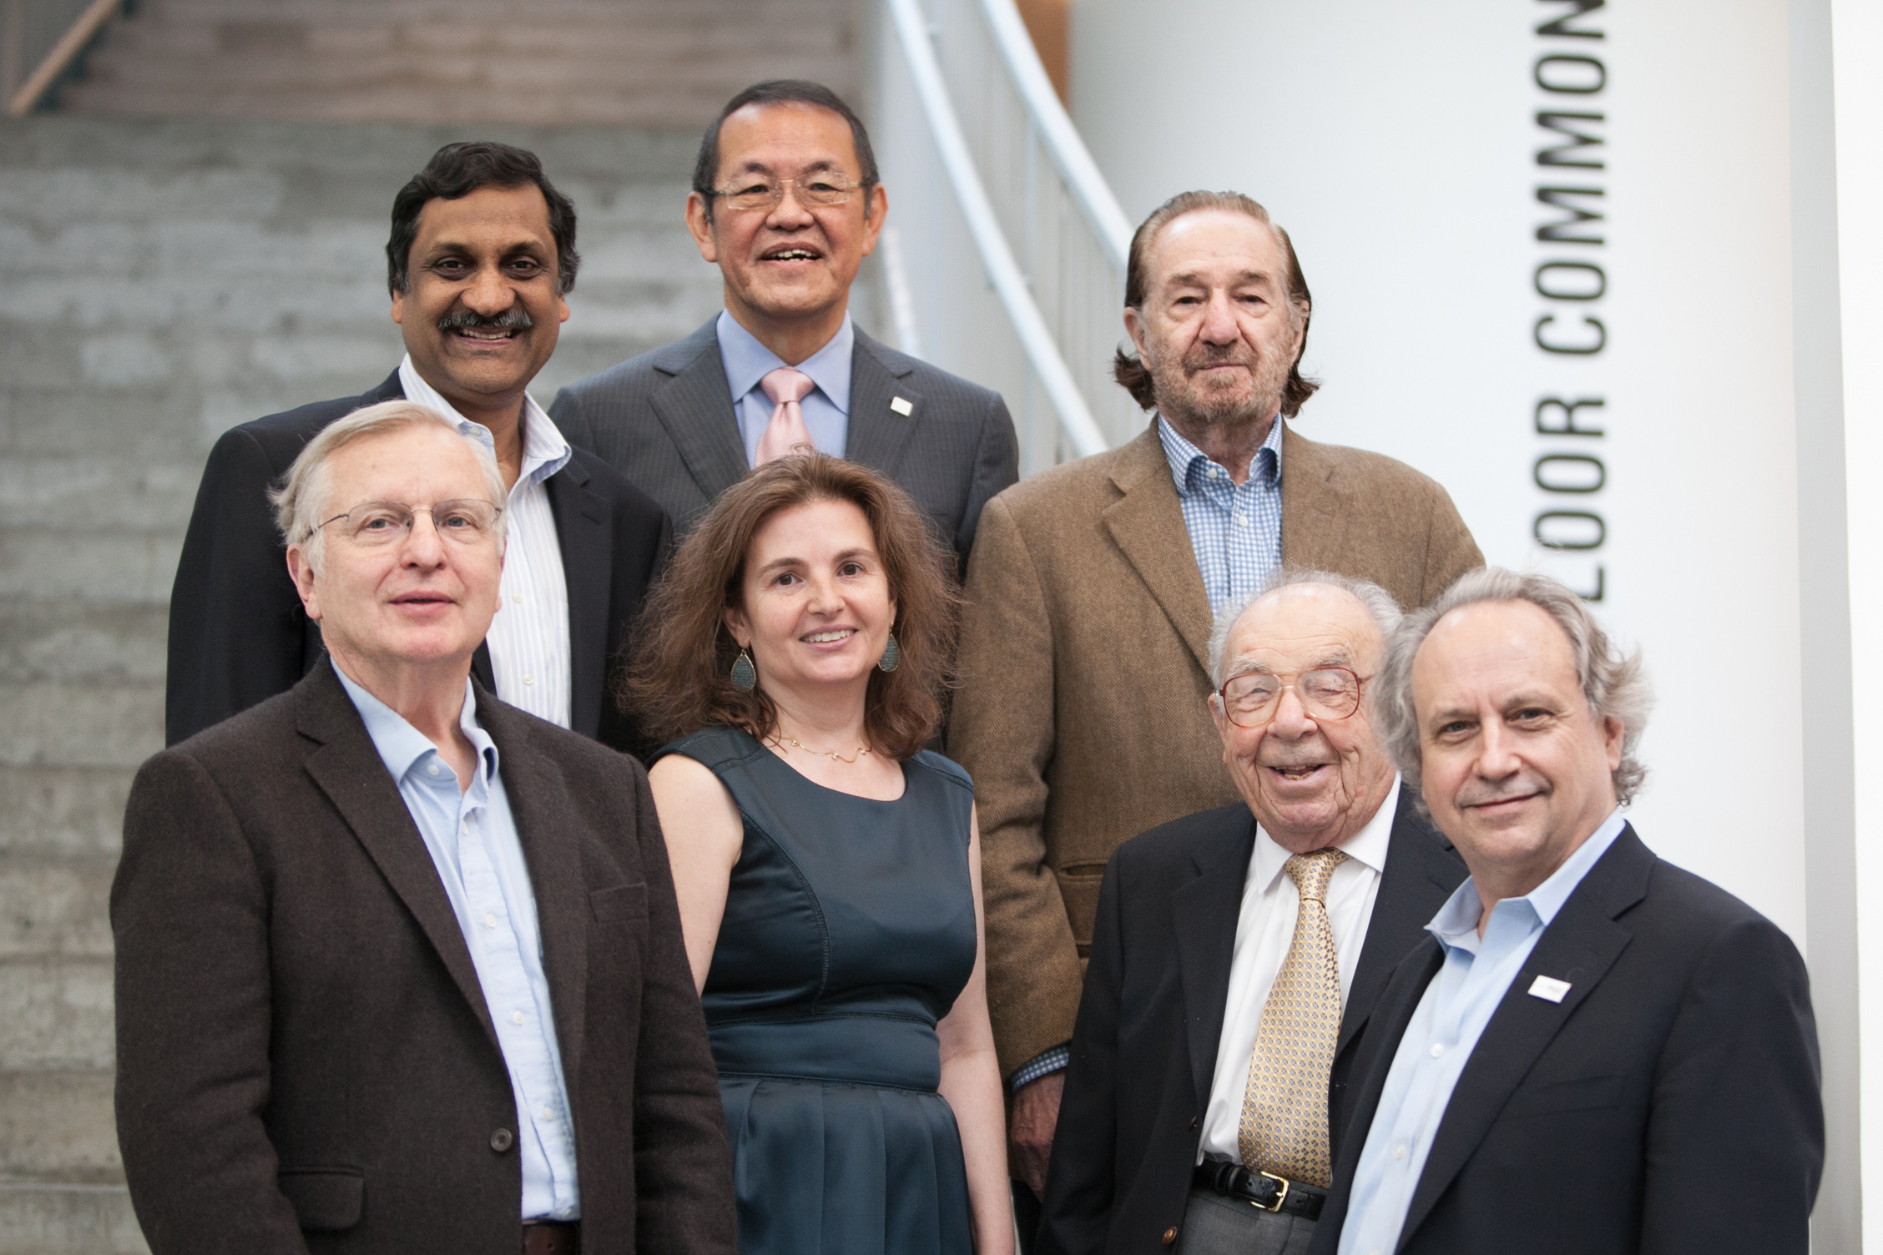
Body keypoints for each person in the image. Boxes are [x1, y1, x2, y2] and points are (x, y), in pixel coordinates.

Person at [948, 190, 1485, 1208]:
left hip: (1384, 1004)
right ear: (1136, 331)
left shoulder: (1408, 512)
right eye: (1184, 297)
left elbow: (1475, 745)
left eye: (1250, 294)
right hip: (1133, 1021)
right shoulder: (1032, 531)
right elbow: (992, 810)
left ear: (1295, 322)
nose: (1219, 325)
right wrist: (1044, 1055)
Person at [114, 402, 735, 1255]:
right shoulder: (211, 797)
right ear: (305, 576)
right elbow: (191, 1135)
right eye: (379, 522)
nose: (425, 551)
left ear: (499, 558)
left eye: (457, 520)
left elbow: (674, 1105)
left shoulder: (605, 789)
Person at [1312, 569, 1822, 1255]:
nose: (1493, 759)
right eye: (1455, 728)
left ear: (1609, 733)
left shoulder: (1719, 964)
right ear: (1418, 769)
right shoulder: (1414, 973)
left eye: (1528, 715)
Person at [166, 140, 669, 753]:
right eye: (453, 266)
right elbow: (215, 759)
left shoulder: (625, 520)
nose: (489, 298)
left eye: (522, 266)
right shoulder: (274, 469)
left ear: (561, 295)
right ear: (399, 292)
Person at [628, 454, 1011, 1255]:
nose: (826, 600)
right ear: (736, 618)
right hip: (761, 1182)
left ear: (894, 595)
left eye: (850, 568)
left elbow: (965, 1046)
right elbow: (654, 1048)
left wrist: (997, 1239)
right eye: (785, 578)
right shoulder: (695, 784)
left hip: (919, 1184)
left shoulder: (947, 793)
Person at [1035, 571, 1465, 1255]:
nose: (1289, 722)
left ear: (1393, 705)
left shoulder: (1473, 884)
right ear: (1218, 719)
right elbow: (1090, 1153)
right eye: (1254, 691)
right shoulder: (1152, 876)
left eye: (1330, 685)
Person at [548, 80, 1019, 567]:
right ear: (703, 224)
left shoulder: (966, 427)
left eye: (822, 187)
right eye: (754, 189)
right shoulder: (599, 422)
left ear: (872, 217)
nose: (790, 214)